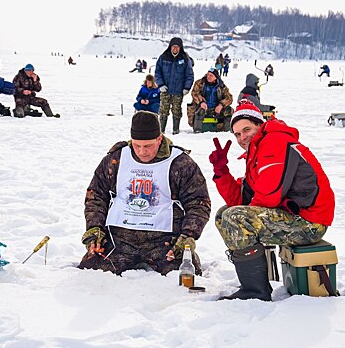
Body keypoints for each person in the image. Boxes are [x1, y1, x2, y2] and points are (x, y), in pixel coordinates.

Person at [209, 100, 335, 301]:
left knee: (235, 218)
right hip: (293, 216)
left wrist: (241, 218)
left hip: (310, 222)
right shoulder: (257, 150)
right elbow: (242, 199)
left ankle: (255, 292)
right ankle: (254, 283)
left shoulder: (274, 142)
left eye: (247, 129)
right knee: (224, 215)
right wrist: (221, 172)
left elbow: (268, 196)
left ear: (259, 124)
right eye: (237, 134)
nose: (242, 137)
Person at [78, 111, 211, 275]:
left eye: (148, 146)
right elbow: (96, 195)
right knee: (88, 272)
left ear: (159, 139)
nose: (142, 152)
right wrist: (95, 229)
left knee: (185, 275)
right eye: (137, 145)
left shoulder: (180, 162)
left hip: (164, 241)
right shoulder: (116, 159)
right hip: (120, 238)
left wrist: (188, 236)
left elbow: (198, 203)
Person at [155, 37, 194, 135]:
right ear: (170, 47)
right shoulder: (163, 57)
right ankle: (161, 130)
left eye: (177, 47)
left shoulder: (185, 59)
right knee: (163, 110)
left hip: (178, 91)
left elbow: (189, 74)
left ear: (180, 48)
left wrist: (186, 88)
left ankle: (176, 130)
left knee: (177, 110)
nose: (175, 49)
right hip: (165, 90)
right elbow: (158, 72)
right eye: (173, 47)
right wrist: (161, 85)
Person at [190, 67, 233, 133]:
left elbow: (229, 98)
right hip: (203, 107)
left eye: (211, 75)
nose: (208, 77)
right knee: (200, 111)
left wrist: (221, 105)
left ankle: (227, 130)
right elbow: (194, 93)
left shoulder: (221, 86)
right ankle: (197, 130)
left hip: (216, 109)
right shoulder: (200, 83)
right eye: (208, 75)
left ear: (216, 77)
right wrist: (202, 102)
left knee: (229, 110)